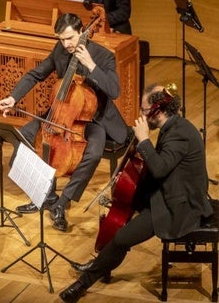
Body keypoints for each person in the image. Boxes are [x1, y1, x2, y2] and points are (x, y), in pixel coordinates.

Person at [58, 83, 214, 303]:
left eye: (143, 110)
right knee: (126, 204)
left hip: (179, 206)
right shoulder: (174, 126)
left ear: (157, 111)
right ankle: (103, 262)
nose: (140, 115)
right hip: (169, 192)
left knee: (122, 237)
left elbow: (159, 168)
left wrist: (144, 140)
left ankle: (84, 282)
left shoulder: (180, 135)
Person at [0, 13, 127, 232]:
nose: (66, 44)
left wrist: (91, 65)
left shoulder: (103, 56)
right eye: (62, 39)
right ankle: (46, 196)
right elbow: (35, 74)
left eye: (70, 38)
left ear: (82, 32)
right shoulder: (60, 49)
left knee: (93, 153)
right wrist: (12, 98)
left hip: (92, 118)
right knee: (21, 138)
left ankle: (62, 203)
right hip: (60, 115)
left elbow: (114, 91)